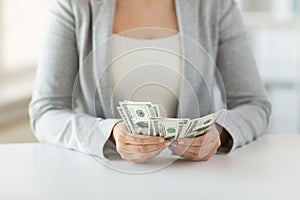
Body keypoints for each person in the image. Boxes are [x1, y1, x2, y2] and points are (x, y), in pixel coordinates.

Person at [29, 0, 271, 163]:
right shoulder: (74, 6)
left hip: (197, 181)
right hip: (103, 181)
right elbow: (45, 111)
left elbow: (254, 104)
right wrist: (109, 134)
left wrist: (218, 133)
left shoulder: (215, 6)